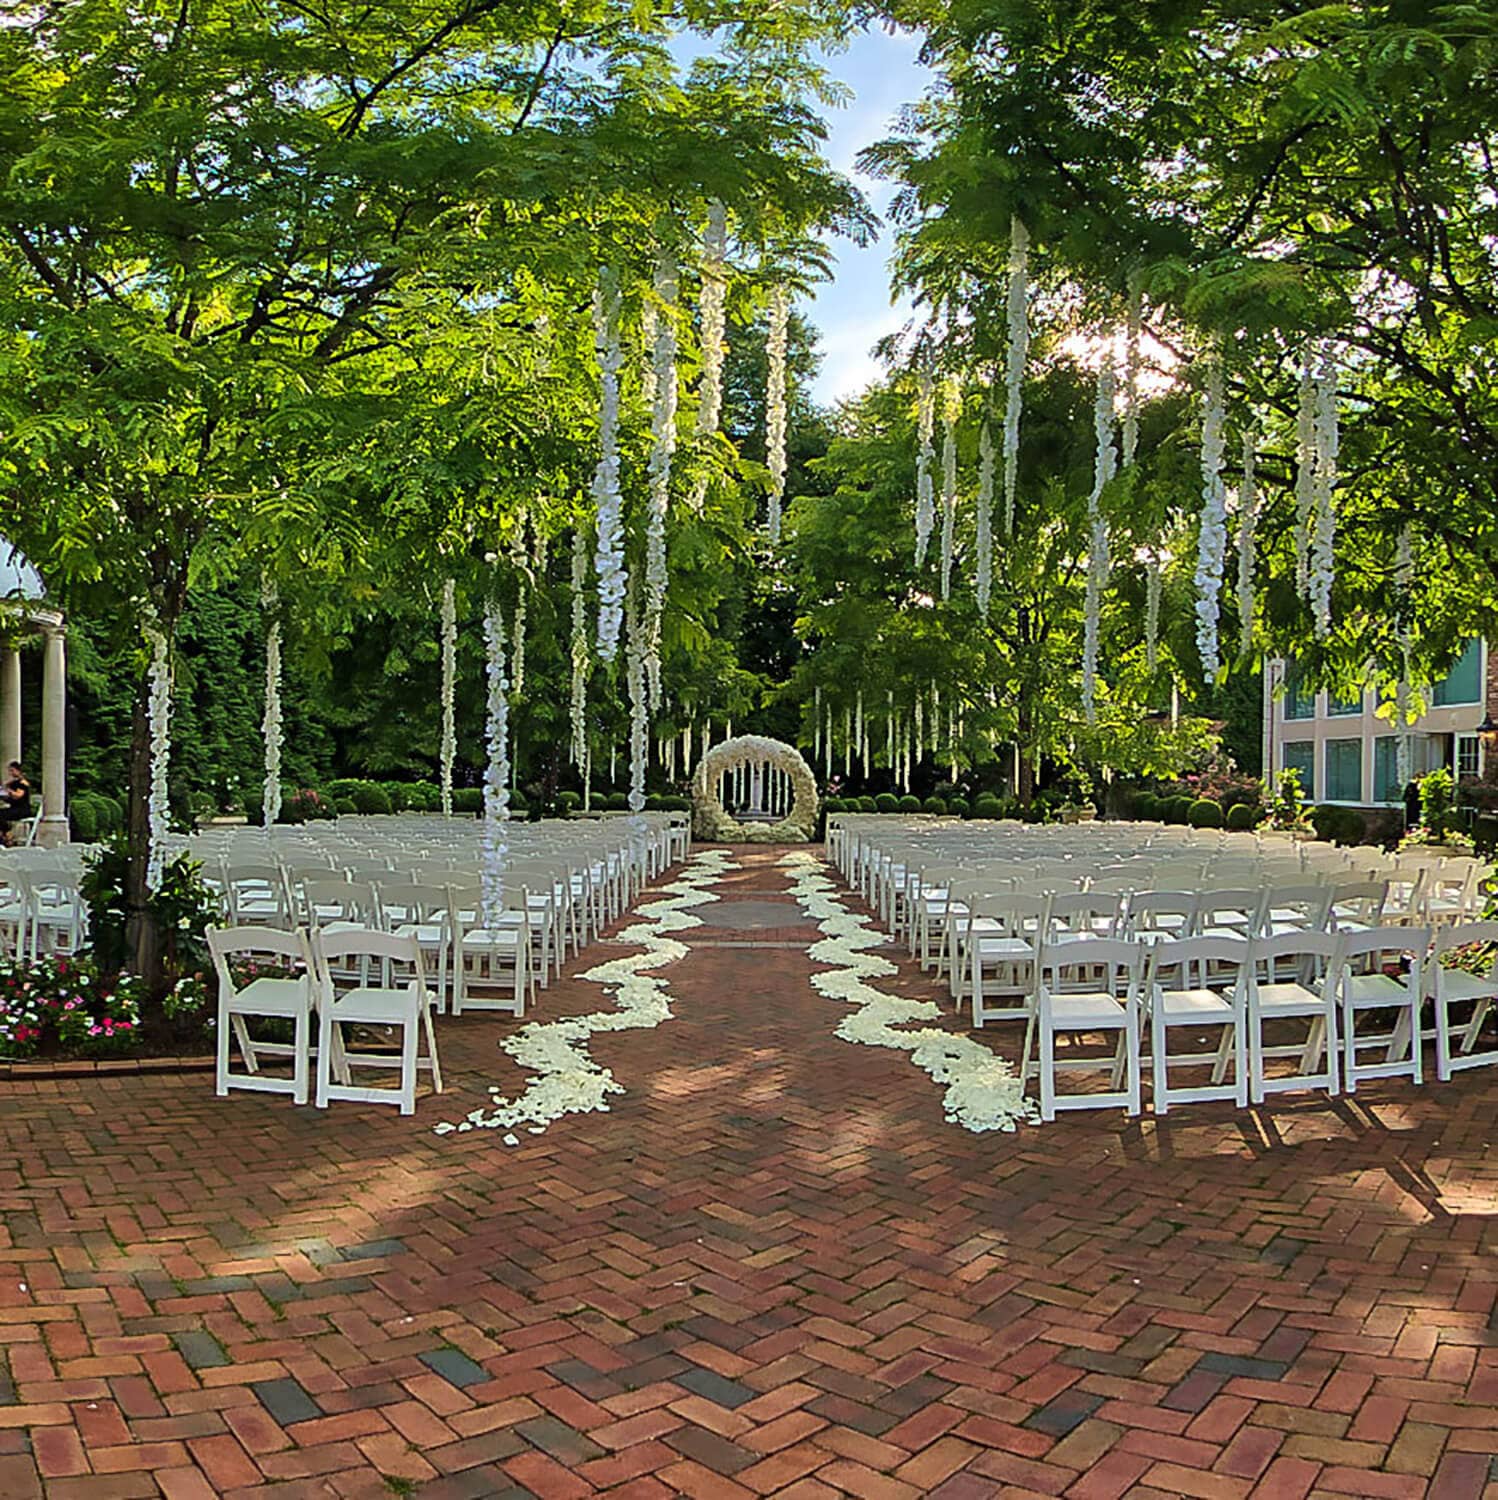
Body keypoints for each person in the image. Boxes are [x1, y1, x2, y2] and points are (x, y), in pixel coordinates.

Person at [0, 762, 31, 845]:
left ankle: (7, 835)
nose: (11, 773)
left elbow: (18, 795)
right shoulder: (13, 783)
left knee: (1, 815)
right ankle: (5, 835)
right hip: (15, 808)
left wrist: (8, 791)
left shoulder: (23, 783)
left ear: (18, 771)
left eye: (12, 771)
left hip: (22, 809)